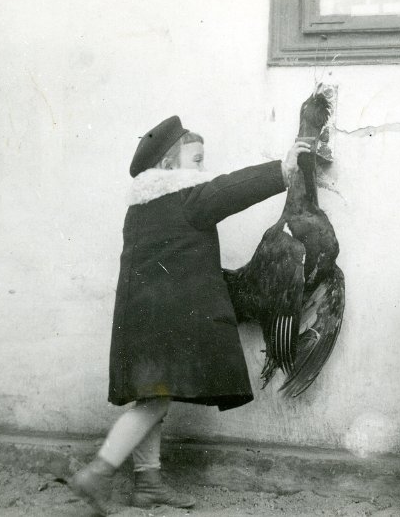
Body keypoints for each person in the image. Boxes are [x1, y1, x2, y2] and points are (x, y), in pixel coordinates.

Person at [68, 115, 311, 515]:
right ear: (168, 166)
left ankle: (147, 483)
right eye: (196, 161)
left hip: (141, 320)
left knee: (152, 400)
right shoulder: (185, 198)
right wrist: (281, 170)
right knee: (154, 403)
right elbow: (228, 190)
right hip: (163, 323)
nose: (203, 170)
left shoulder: (143, 207)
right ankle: (99, 471)